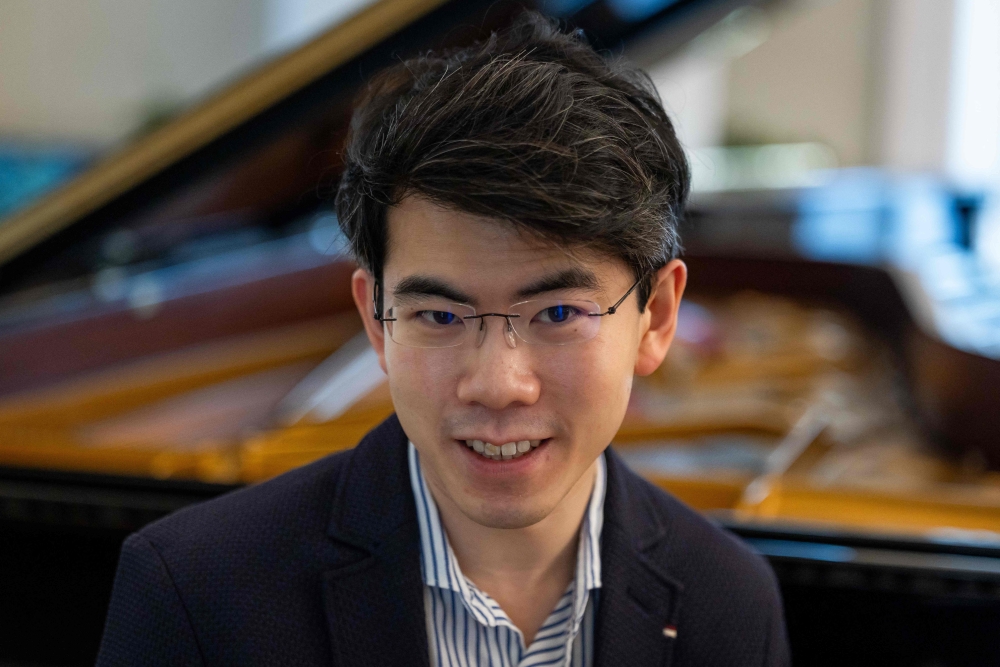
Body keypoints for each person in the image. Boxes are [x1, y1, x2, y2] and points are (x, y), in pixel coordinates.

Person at [96, 12, 789, 667]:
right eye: (440, 316)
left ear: (657, 317)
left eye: (557, 313)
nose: (497, 385)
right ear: (377, 320)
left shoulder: (728, 603)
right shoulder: (196, 591)